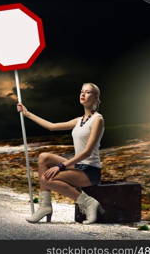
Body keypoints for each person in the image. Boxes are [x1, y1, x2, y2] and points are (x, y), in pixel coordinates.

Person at [16, 82, 105, 224]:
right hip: (78, 167)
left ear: (95, 98)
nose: (83, 94)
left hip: (90, 171)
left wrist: (61, 166)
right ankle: (45, 206)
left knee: (46, 180)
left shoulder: (98, 119)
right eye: (82, 91)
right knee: (44, 157)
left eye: (88, 92)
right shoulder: (79, 120)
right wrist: (27, 114)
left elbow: (87, 152)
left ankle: (88, 203)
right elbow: (52, 127)